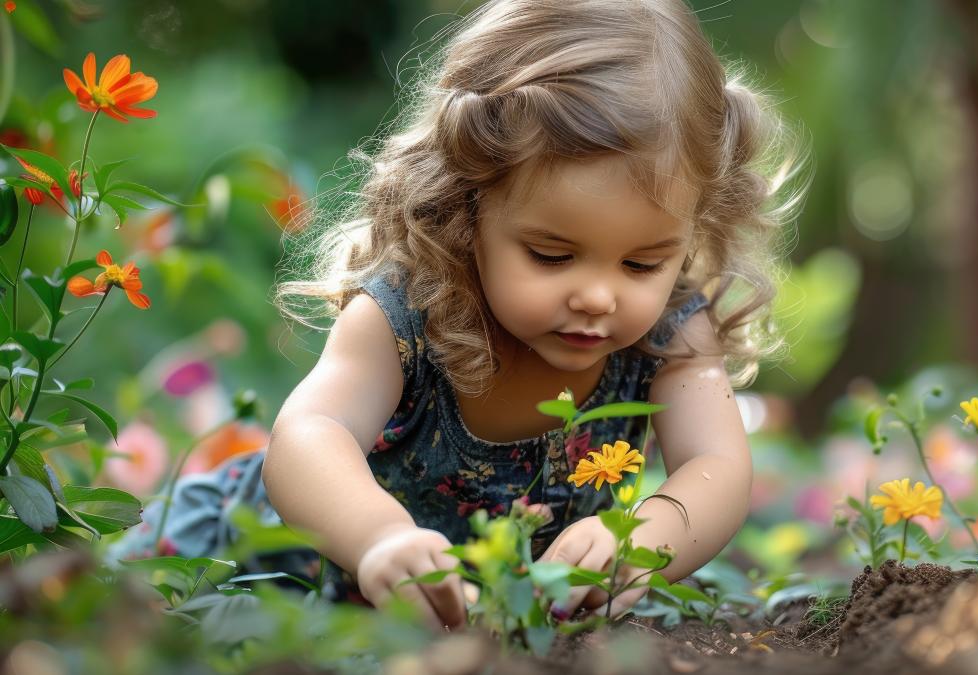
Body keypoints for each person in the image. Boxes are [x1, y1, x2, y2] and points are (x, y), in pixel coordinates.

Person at [103, 0, 805, 631]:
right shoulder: (407, 314)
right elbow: (308, 433)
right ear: (469, 209)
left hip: (435, 633)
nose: (598, 295)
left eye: (642, 263)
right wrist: (378, 535)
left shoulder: (671, 329)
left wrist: (644, 538)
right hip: (252, 565)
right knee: (95, 624)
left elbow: (717, 464)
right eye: (552, 254)